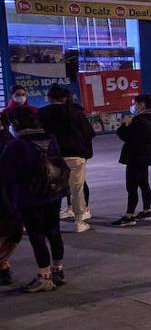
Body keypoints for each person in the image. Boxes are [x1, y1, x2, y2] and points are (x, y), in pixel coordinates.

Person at [0, 106, 67, 292]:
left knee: (37, 236)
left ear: (16, 123)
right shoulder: (50, 138)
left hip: (30, 198)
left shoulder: (16, 145)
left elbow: (5, 172)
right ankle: (58, 271)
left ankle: (44, 276)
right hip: (53, 193)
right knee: (54, 232)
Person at [38, 85, 95, 233]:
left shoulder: (42, 113)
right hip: (76, 155)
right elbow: (89, 132)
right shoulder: (75, 112)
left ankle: (49, 221)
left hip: (52, 156)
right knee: (77, 188)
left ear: (49, 98)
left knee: (52, 187)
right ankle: (79, 221)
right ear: (65, 98)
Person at [111, 95, 151, 226]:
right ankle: (146, 211)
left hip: (136, 156)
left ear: (143, 104)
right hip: (145, 155)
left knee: (132, 186)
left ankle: (129, 215)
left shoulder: (141, 120)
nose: (134, 106)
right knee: (143, 183)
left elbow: (129, 136)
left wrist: (122, 126)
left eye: (135, 103)